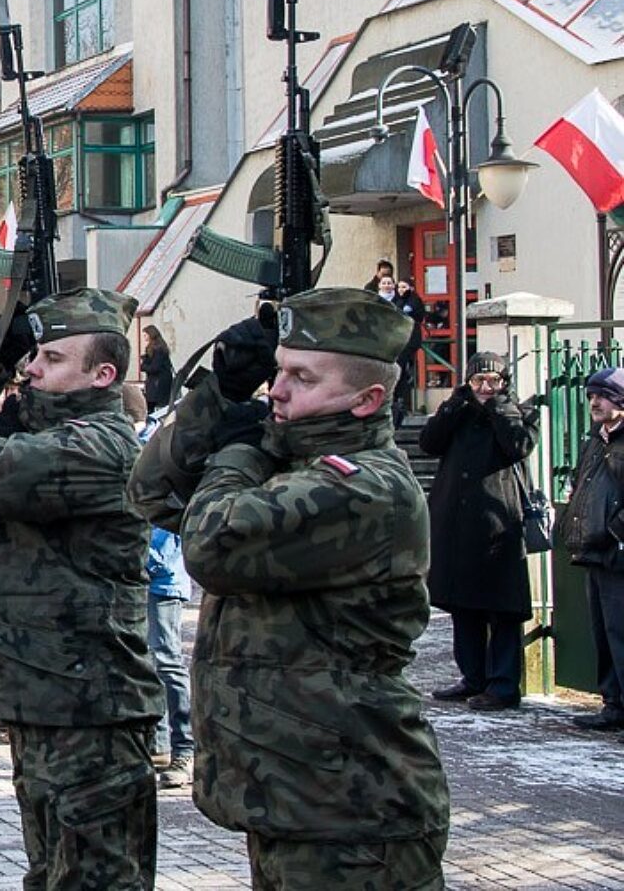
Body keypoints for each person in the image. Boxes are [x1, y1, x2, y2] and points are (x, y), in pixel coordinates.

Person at [130, 287, 450, 890]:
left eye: (302, 378)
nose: (276, 391)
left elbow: (210, 544)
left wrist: (242, 450)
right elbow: (150, 491)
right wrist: (218, 396)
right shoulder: (290, 462)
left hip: (354, 810)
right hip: (296, 796)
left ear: (366, 399)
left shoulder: (366, 487)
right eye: (277, 372)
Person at [0, 289, 164, 891]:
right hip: (38, 699)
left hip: (92, 710)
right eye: (32, 356)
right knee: (50, 873)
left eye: (52, 359)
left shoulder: (104, 445)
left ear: (103, 375)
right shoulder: (37, 429)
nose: (31, 369)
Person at [420, 352, 538, 711]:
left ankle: (503, 685)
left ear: (504, 382)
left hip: (498, 525)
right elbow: (429, 442)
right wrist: (452, 406)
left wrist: (500, 408)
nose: (485, 387)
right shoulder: (460, 411)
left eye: (493, 381)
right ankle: (472, 677)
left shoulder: (518, 411)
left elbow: (519, 446)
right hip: (456, 524)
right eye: (478, 381)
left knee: (502, 609)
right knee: (462, 604)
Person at [557, 367, 624, 732]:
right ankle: (613, 705)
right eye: (591, 396)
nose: (594, 402)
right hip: (594, 550)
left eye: (603, 396)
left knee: (620, 633)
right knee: (603, 634)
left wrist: (614, 529)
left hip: (617, 551)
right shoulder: (595, 440)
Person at [146, 524, 193, 789]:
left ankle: (185, 750)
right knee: (146, 663)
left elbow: (165, 541)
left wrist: (134, 560)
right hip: (139, 581)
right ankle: (159, 746)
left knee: (167, 662)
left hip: (163, 583)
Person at [379, 275, 425, 425]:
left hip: (407, 341)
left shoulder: (413, 300)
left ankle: (399, 402)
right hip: (392, 341)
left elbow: (416, 315)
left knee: (402, 371)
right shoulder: (395, 300)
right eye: (399, 287)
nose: (401, 290)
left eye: (404, 287)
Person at [140, 326, 174, 416]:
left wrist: (143, 366)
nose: (144, 337)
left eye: (145, 335)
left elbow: (154, 367)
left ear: (151, 334)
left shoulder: (157, 349)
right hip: (159, 382)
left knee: (153, 406)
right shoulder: (159, 347)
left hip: (157, 383)